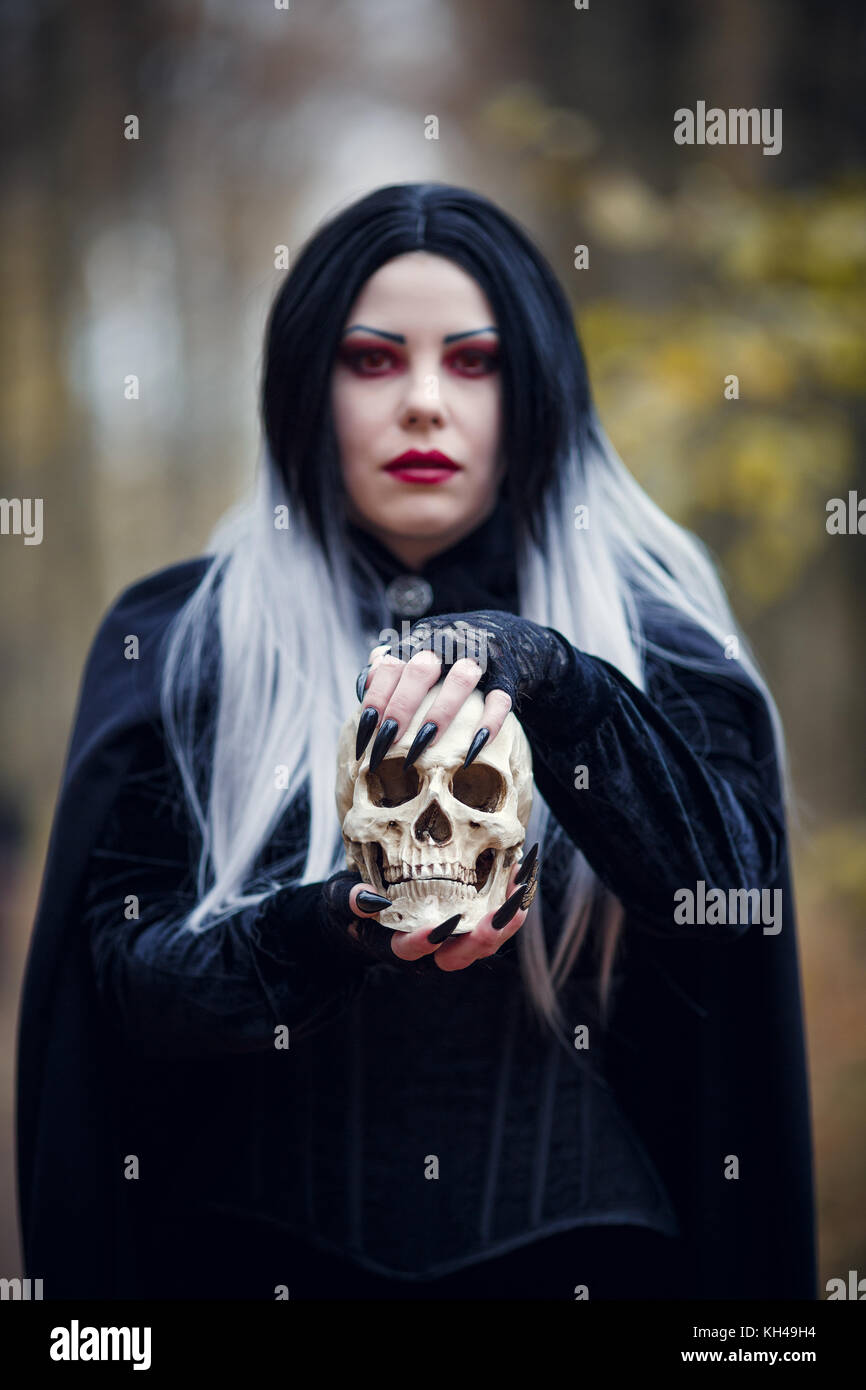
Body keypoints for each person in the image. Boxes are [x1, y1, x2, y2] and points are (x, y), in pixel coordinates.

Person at [17, 182, 816, 1301]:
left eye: (475, 361)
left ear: (536, 388)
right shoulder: (184, 641)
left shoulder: (659, 645)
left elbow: (728, 896)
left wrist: (562, 683)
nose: (425, 404)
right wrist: (324, 926)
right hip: (247, 1273)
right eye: (373, 359)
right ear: (306, 388)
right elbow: (122, 994)